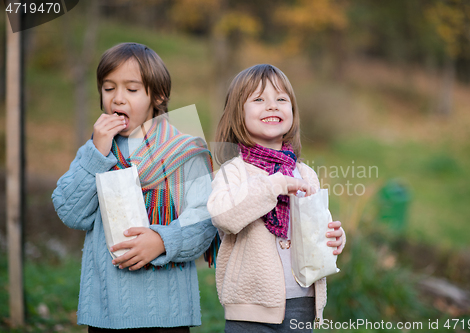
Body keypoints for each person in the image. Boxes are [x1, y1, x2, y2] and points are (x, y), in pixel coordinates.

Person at [52, 42, 216, 332]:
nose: (118, 99)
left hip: (168, 312)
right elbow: (71, 212)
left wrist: (163, 241)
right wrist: (97, 153)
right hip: (106, 311)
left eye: (132, 89)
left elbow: (205, 220)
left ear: (158, 95)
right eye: (108, 88)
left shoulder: (184, 150)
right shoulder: (95, 151)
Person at [207, 64, 346, 332]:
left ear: (292, 111)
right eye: (259, 100)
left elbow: (317, 228)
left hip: (302, 302)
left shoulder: (305, 173)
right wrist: (274, 186)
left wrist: (334, 239)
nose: (272, 106)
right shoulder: (233, 171)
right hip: (249, 308)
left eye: (281, 99)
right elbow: (223, 216)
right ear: (239, 113)